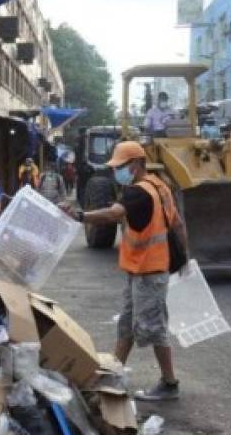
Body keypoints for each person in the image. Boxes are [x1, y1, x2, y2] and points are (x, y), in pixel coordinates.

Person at [60, 141, 187, 401]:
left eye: (121, 166)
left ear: (137, 164)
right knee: (127, 325)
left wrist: (80, 216)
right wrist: (184, 258)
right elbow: (178, 224)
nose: (117, 171)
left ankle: (169, 383)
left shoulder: (138, 193)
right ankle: (112, 376)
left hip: (149, 272)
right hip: (143, 270)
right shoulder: (161, 187)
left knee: (154, 328)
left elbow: (112, 214)